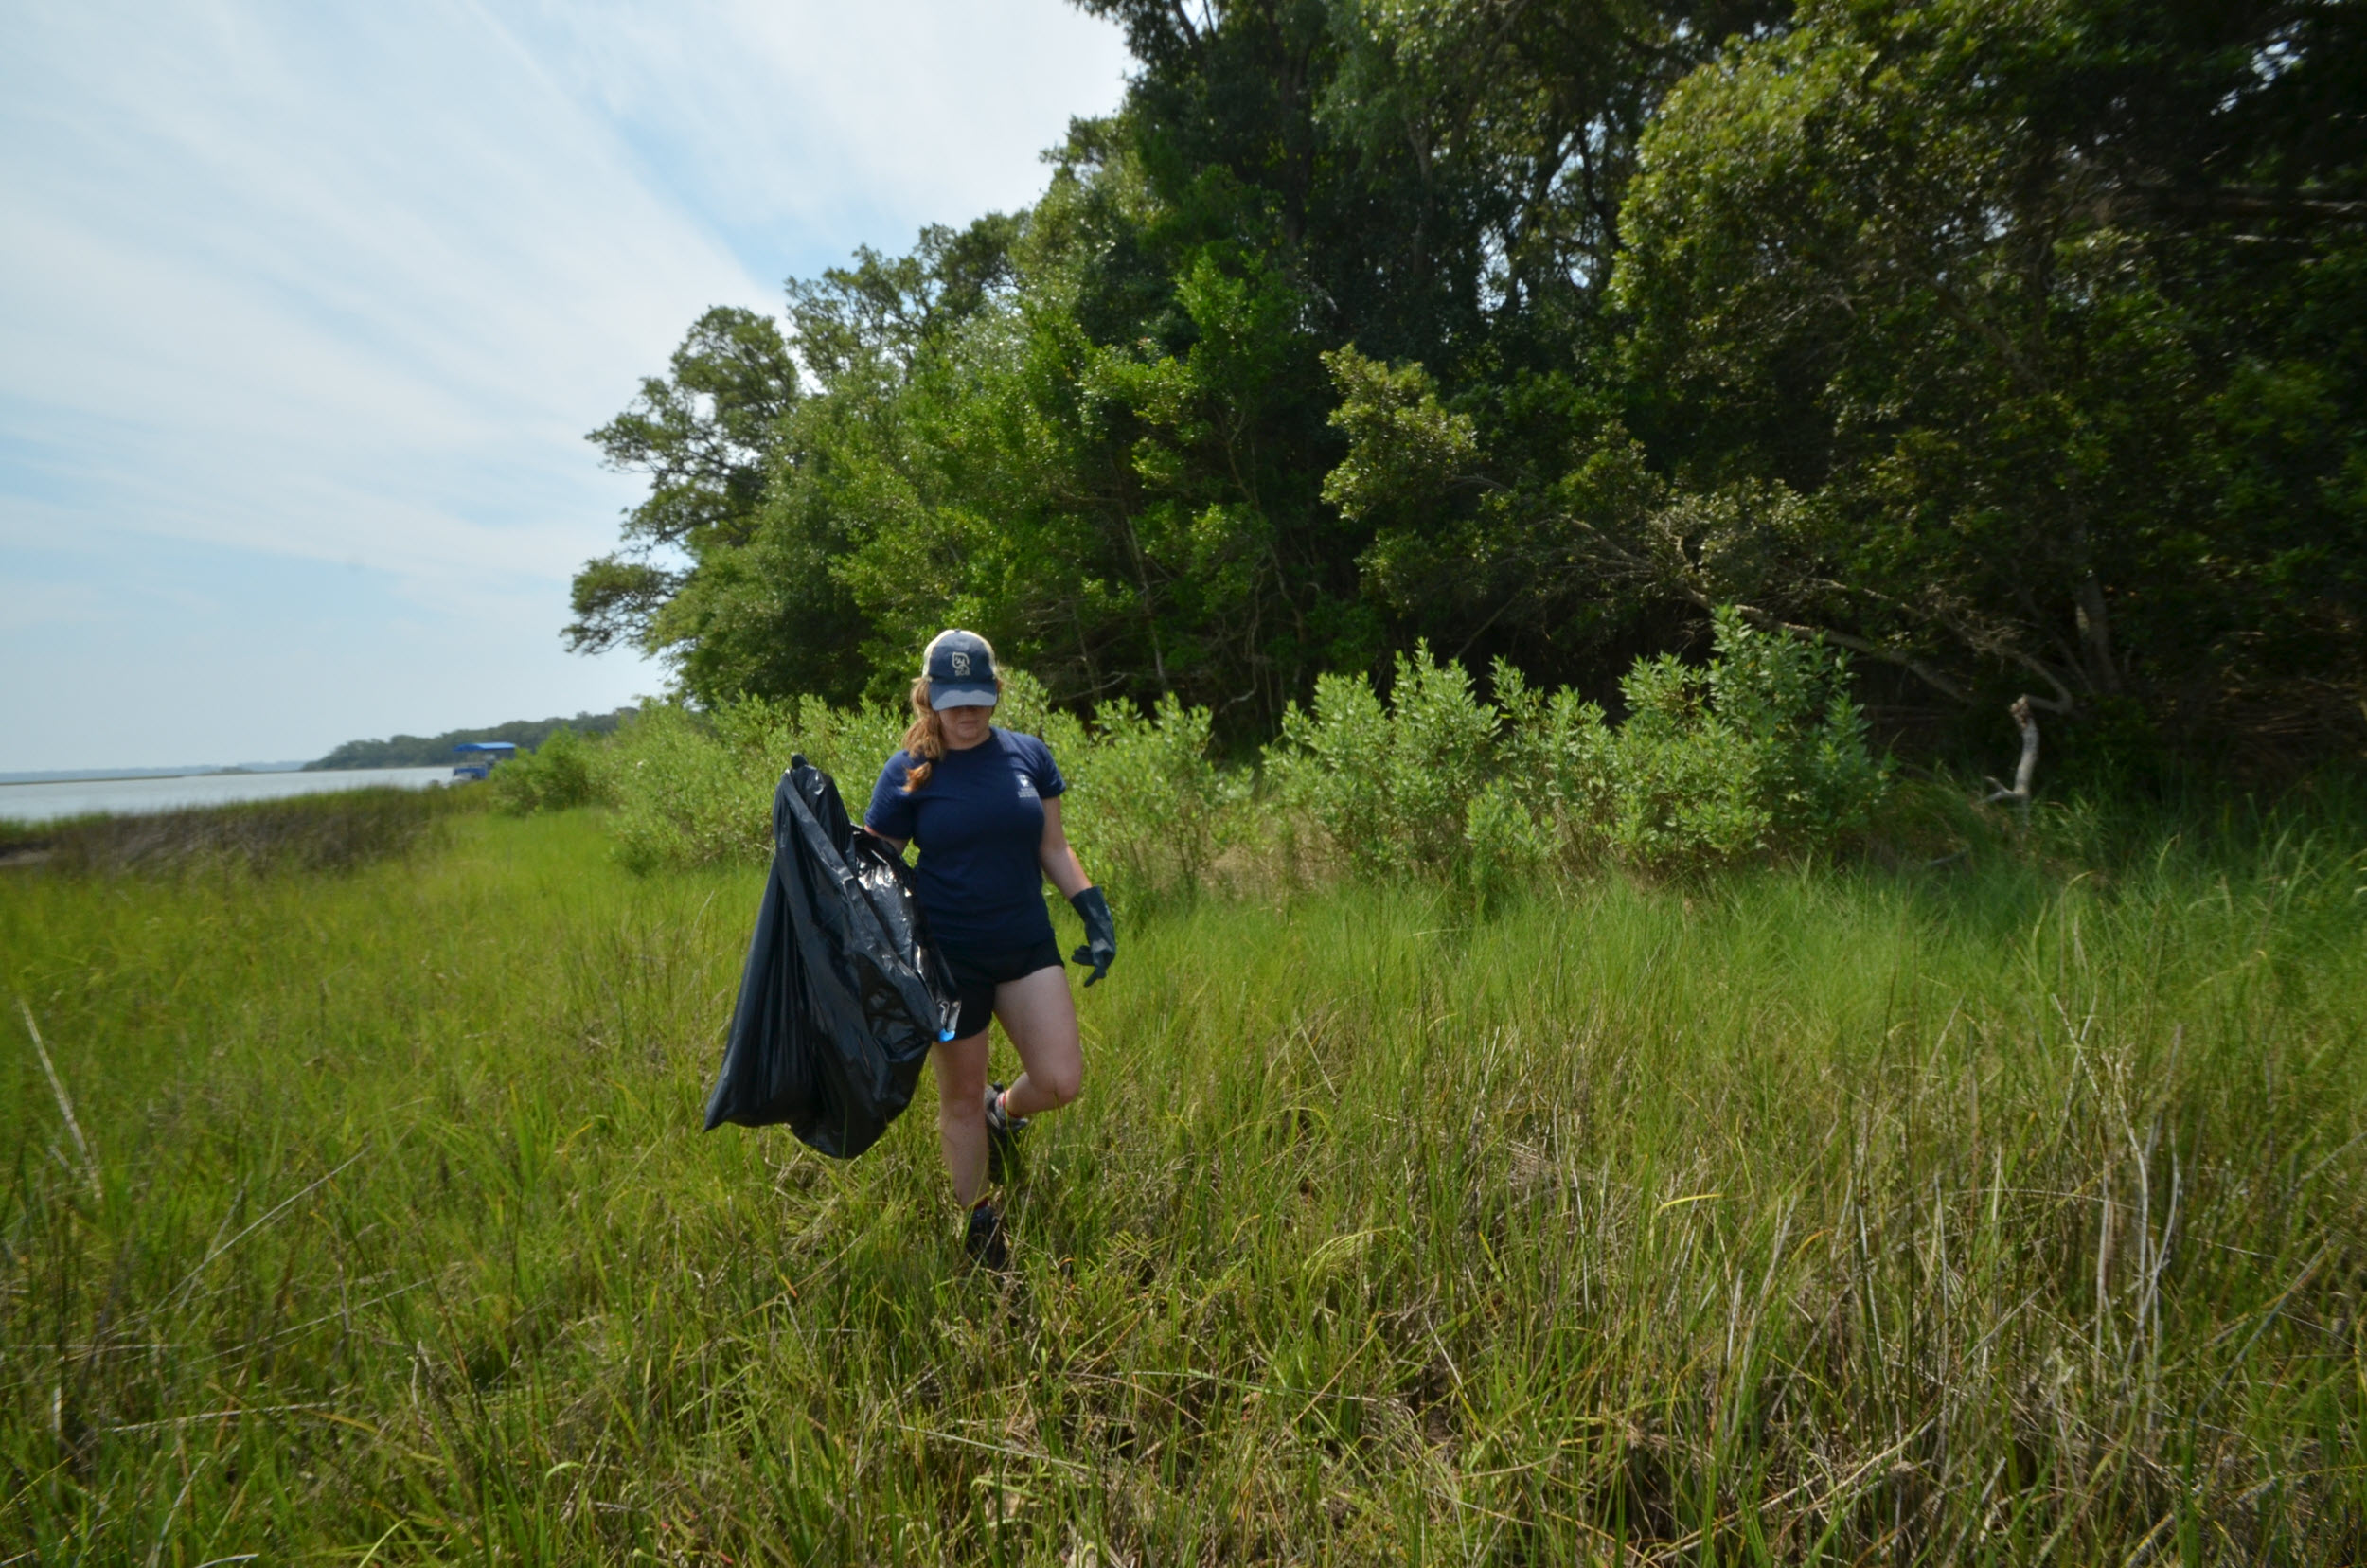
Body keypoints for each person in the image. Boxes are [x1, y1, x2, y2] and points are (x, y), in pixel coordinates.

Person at [863, 630, 1117, 1269]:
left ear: (997, 693)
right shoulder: (909, 771)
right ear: (928, 697)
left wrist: (1093, 910)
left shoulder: (1029, 756)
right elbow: (874, 868)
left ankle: (1002, 1111)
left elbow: (1052, 847)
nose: (967, 713)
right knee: (957, 1098)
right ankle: (977, 1220)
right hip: (950, 959)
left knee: (1061, 1080)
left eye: (978, 698)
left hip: (1025, 942)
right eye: (953, 700)